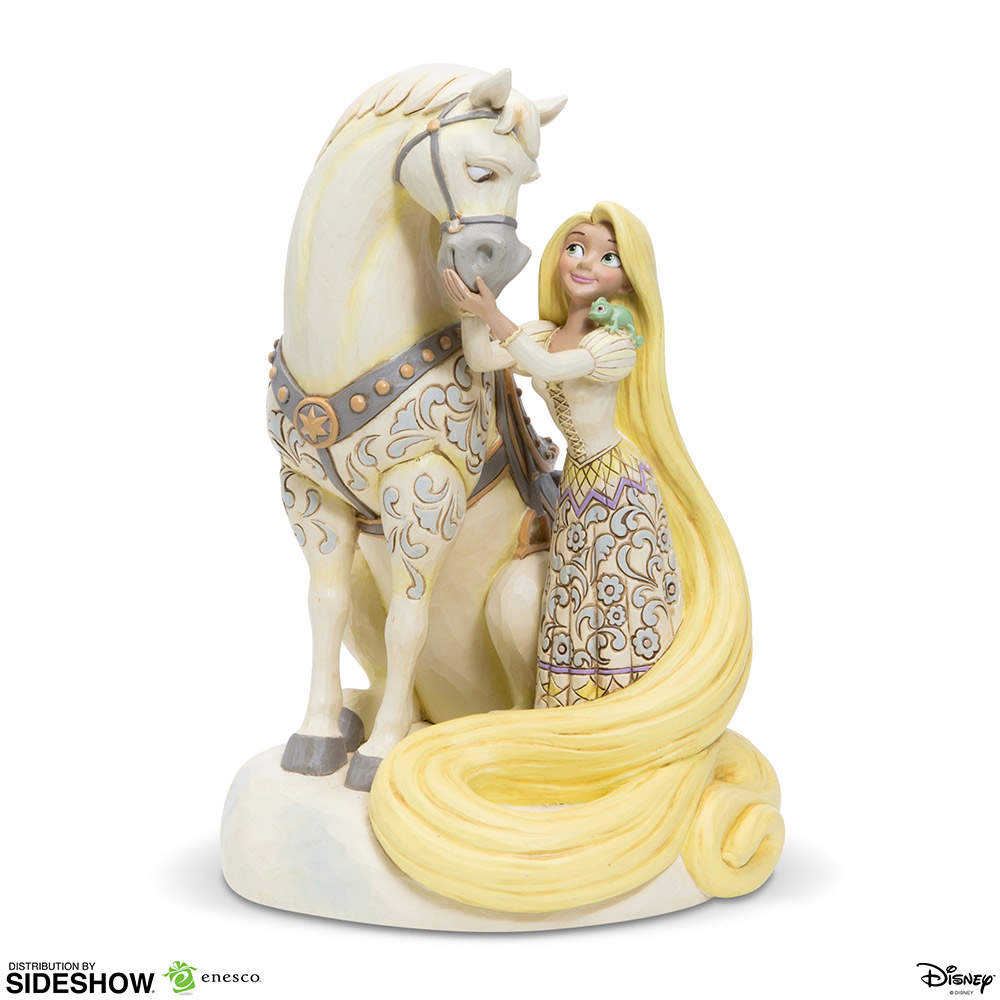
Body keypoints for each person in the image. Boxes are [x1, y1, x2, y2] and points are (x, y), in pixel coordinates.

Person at [443, 201, 683, 708]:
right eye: (576, 248)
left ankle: (625, 710)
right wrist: (471, 306)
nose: (586, 263)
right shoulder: (542, 334)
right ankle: (575, 709)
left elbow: (549, 369)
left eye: (608, 257)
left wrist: (491, 313)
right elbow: (482, 357)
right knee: (576, 594)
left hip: (618, 488)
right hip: (576, 482)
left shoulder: (614, 345)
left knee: (617, 595)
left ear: (627, 282)